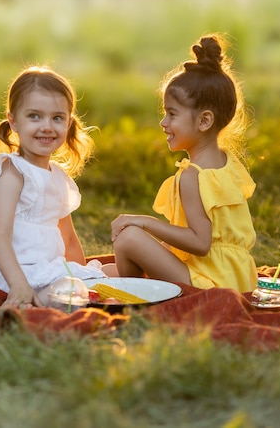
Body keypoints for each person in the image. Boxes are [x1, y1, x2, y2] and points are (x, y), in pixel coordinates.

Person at [111, 34, 258, 292]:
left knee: (128, 238)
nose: (163, 122)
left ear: (204, 121)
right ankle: (130, 282)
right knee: (106, 270)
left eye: (172, 114)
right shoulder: (228, 164)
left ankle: (135, 295)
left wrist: (145, 222)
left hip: (210, 284)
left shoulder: (192, 176)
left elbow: (201, 243)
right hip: (237, 279)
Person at [0, 65, 106, 308]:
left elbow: (69, 239)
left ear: (69, 123)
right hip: (9, 272)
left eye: (57, 118)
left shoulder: (58, 178)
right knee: (70, 292)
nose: (47, 126)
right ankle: (27, 306)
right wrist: (19, 284)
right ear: (14, 121)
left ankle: (48, 301)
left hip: (43, 267)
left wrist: (81, 274)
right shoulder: (13, 173)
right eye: (34, 116)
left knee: (103, 275)